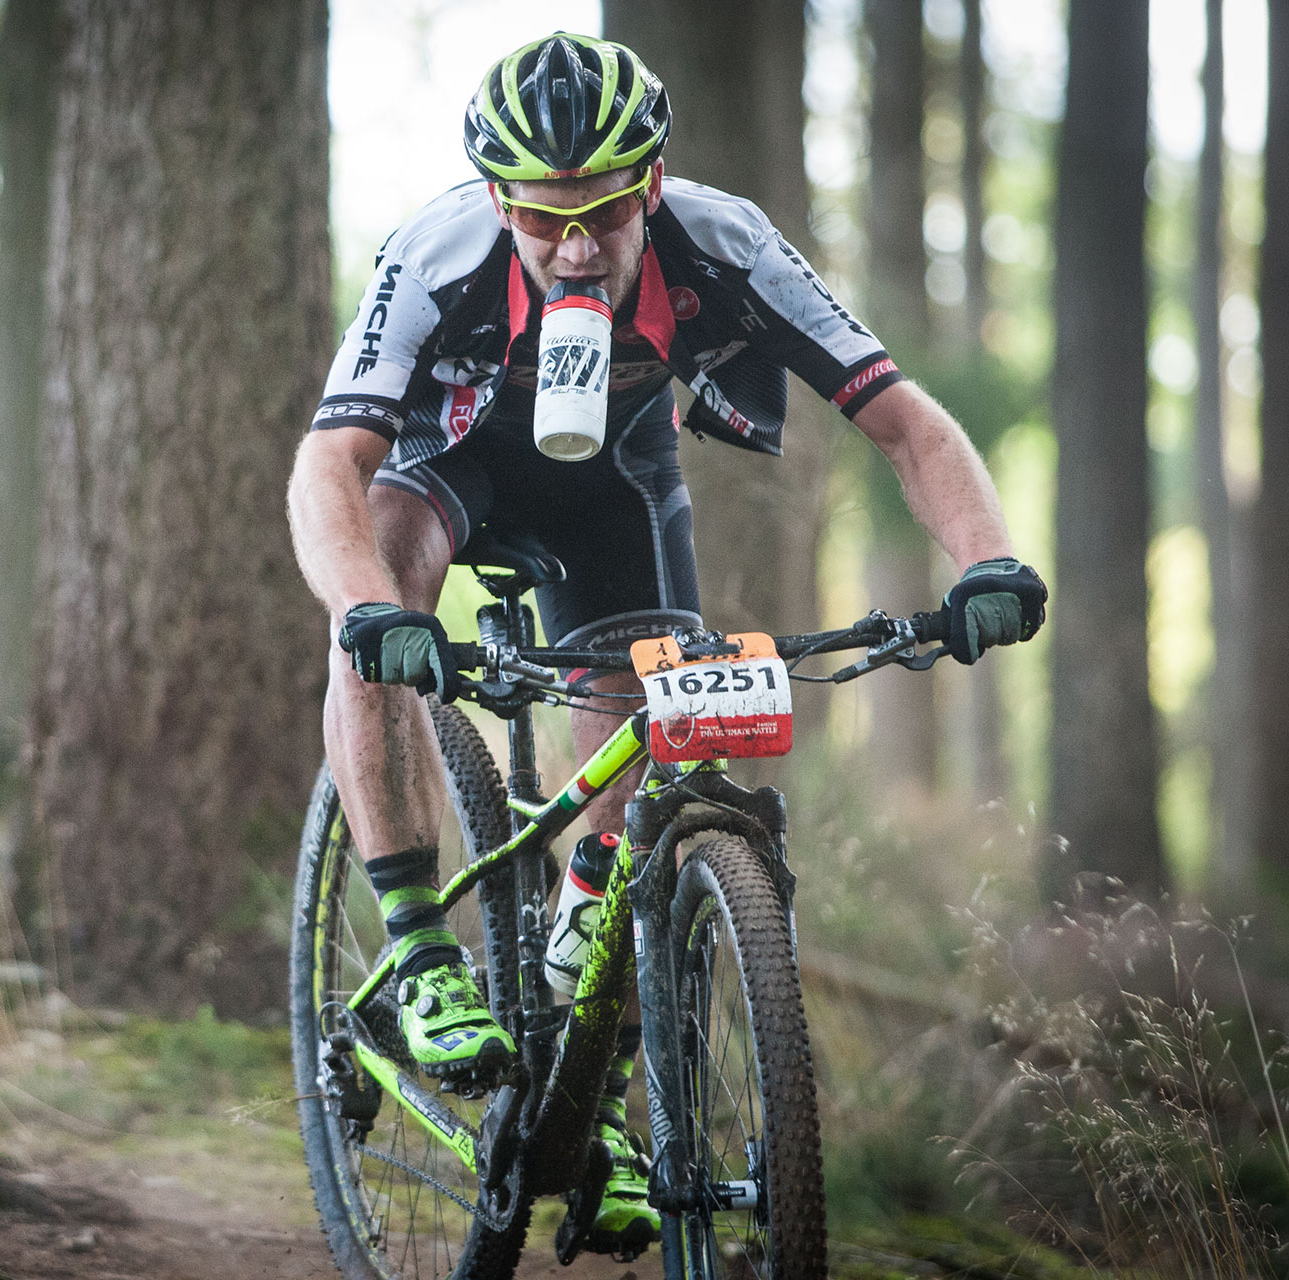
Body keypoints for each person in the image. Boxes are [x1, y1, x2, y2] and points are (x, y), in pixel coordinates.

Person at [286, 32, 1046, 1255]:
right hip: (447, 463)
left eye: (602, 212)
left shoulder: (725, 240)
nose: (575, 243)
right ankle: (420, 939)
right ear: (497, 198)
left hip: (615, 486)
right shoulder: (437, 253)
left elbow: (902, 419)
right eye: (543, 217)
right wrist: (367, 606)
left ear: (648, 185)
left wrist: (987, 558)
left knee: (653, 715)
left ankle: (605, 1077)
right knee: (379, 583)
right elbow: (329, 460)